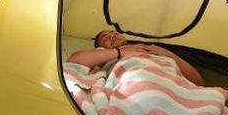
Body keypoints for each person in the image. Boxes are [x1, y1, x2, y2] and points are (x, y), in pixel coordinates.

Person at [67, 29, 204, 86]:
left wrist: (168, 55)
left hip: (170, 81)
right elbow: (75, 60)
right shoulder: (104, 55)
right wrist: (119, 52)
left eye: (114, 33)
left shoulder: (151, 49)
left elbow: (198, 82)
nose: (112, 36)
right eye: (105, 38)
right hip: (137, 84)